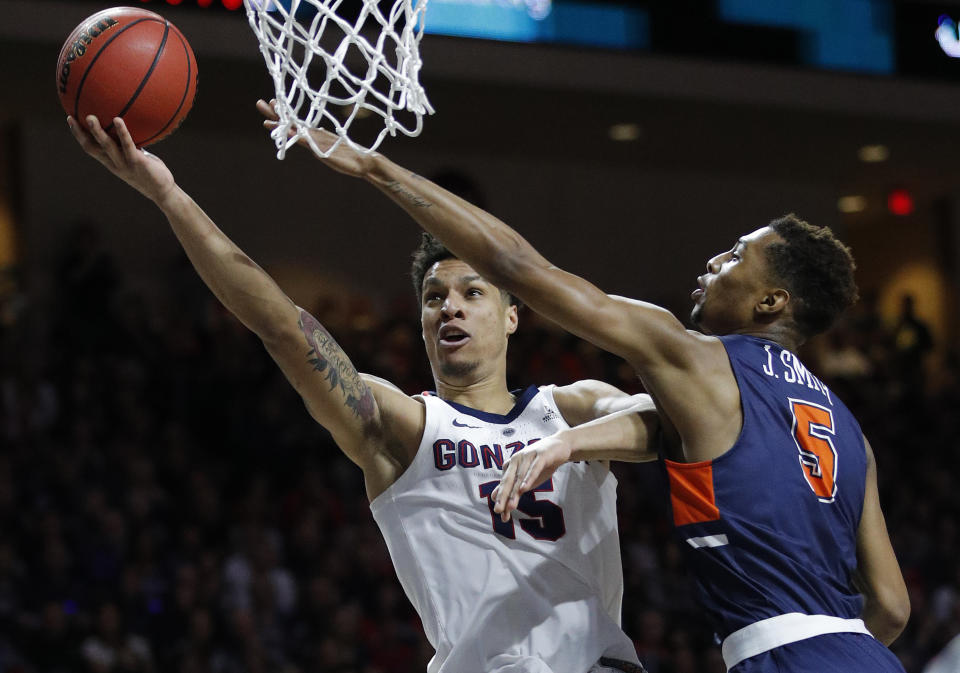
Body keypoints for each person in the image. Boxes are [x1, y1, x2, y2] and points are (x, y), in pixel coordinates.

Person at [275, 107, 912, 672]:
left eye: (735, 257)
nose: (713, 264)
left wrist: (378, 169)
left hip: (780, 653)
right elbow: (890, 606)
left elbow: (520, 268)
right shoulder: (851, 430)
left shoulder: (698, 358)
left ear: (772, 301)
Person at [66, 113, 659, 673]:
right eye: (433, 297)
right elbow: (278, 323)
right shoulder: (404, 427)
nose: (449, 305)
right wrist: (168, 196)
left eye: (472, 293)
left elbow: (664, 424)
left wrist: (564, 446)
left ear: (512, 315)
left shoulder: (572, 406)